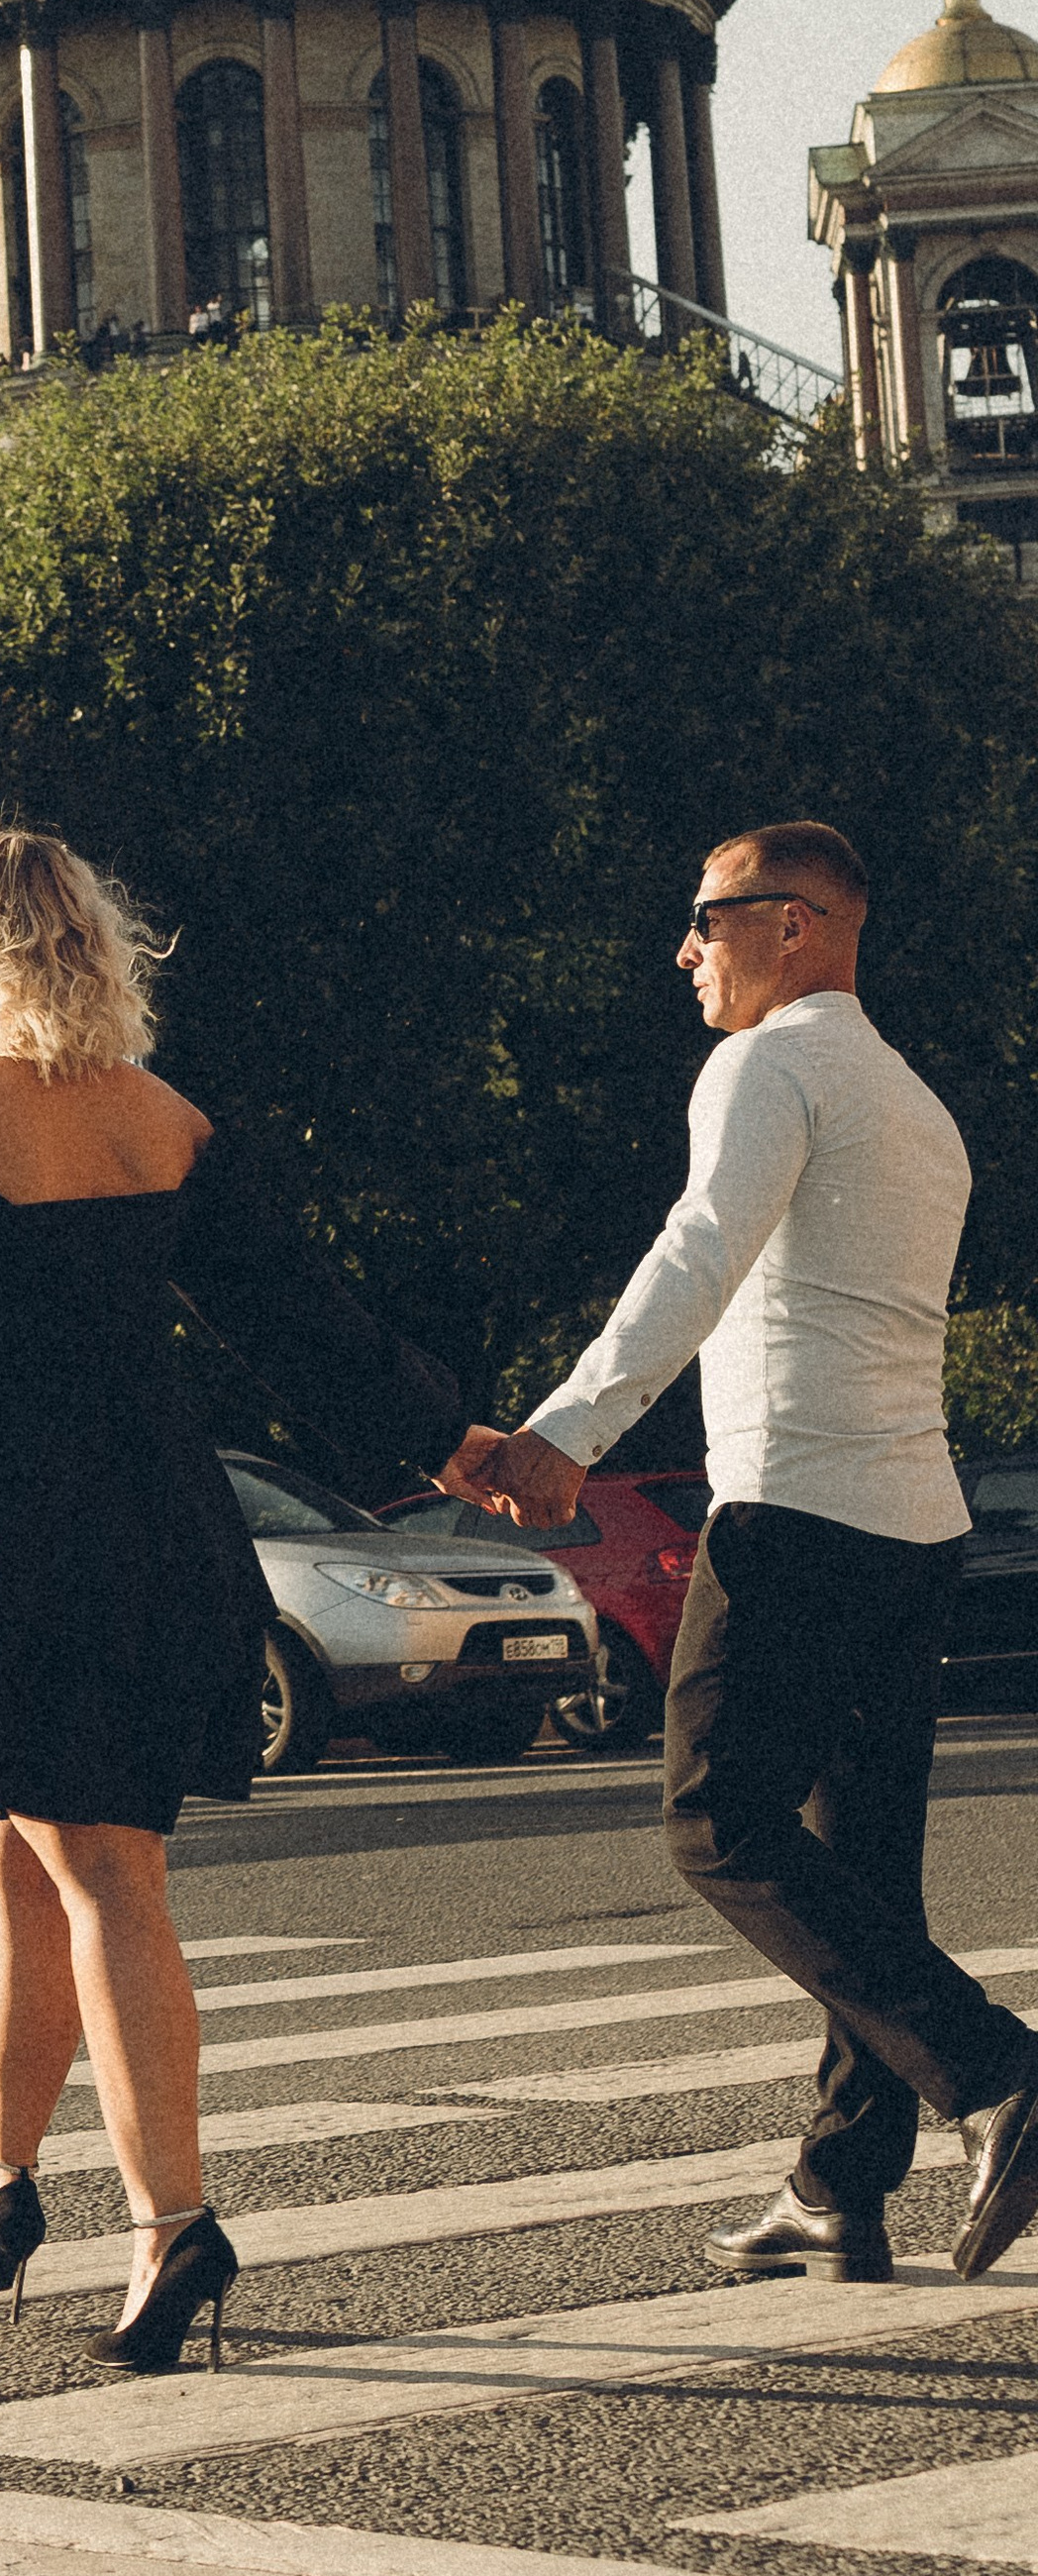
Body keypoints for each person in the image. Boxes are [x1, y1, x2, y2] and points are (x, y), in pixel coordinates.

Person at [0, 825, 460, 2373]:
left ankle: (172, 2223)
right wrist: (447, 1435)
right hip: (168, 1519)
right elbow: (303, 1324)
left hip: (23, 1533)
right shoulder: (164, 1119)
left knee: (106, 1876)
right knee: (25, 1865)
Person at [448, 820, 1038, 2286]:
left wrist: (567, 1429)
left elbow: (698, 1254)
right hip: (918, 1526)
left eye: (706, 919)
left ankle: (997, 2070)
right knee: (863, 1869)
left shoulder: (768, 1066)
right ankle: (843, 2185)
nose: (686, 950)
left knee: (717, 1823)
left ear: (797, 924)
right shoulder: (913, 1102)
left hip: (798, 1515)